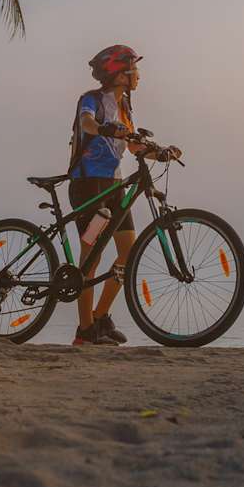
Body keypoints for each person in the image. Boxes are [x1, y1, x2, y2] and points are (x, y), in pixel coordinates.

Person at [68, 45, 180, 345]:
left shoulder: (126, 106)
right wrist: (108, 129)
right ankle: (85, 330)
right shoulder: (91, 100)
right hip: (88, 185)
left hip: (114, 186)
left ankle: (101, 316)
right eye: (134, 69)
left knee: (128, 255)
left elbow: (133, 146)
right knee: (91, 257)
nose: (139, 75)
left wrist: (160, 153)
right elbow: (87, 123)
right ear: (120, 74)